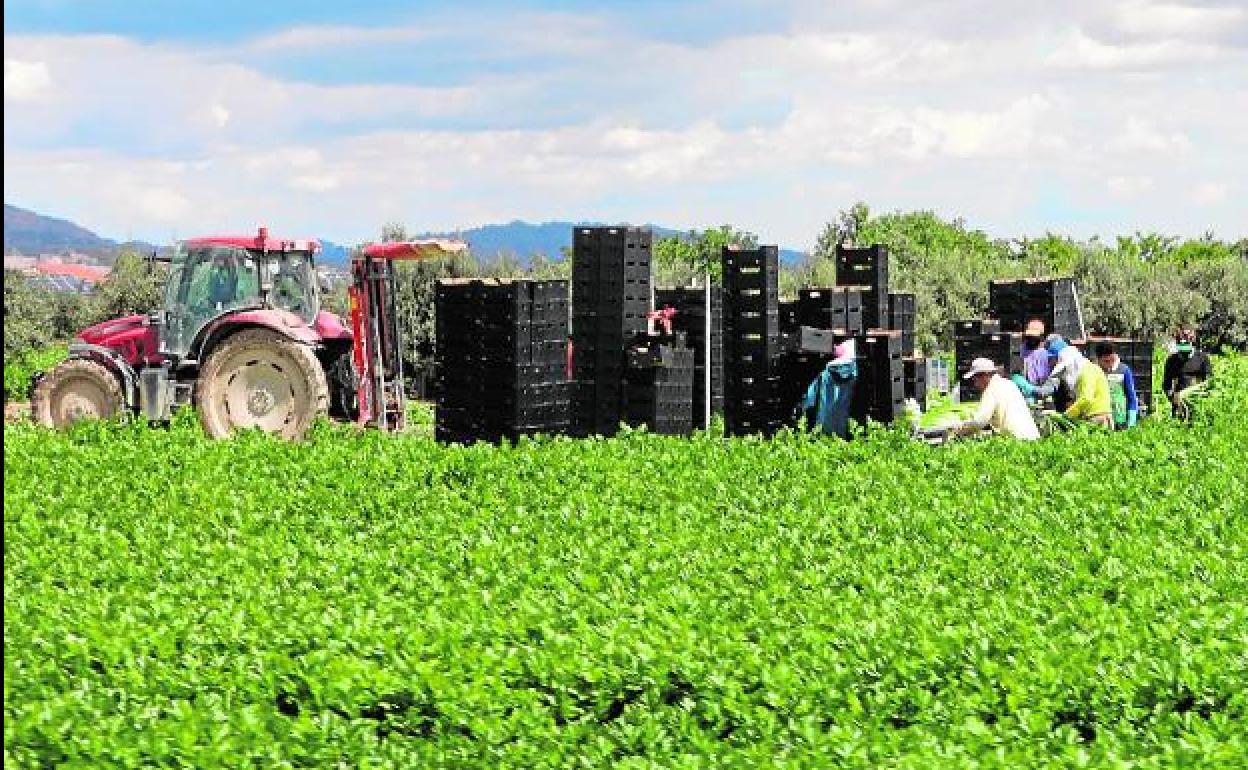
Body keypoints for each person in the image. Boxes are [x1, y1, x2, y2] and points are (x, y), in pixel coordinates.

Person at [952, 357, 1041, 441]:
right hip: (1033, 437)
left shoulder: (991, 389)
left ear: (985, 375)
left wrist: (959, 431)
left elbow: (979, 422)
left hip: (1017, 440)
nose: (975, 383)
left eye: (975, 379)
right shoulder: (1008, 384)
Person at [800, 340, 858, 439]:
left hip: (823, 430)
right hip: (845, 430)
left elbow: (810, 399)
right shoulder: (856, 371)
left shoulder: (826, 372)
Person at [1053, 343, 1112, 427]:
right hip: (1097, 415)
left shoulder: (1087, 371)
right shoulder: (1089, 369)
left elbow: (1086, 398)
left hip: (1098, 417)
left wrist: (1066, 415)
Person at [1163, 328, 1213, 419]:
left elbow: (1209, 381)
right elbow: (1167, 384)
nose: (1183, 346)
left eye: (1186, 343)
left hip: (1199, 403)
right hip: (1179, 405)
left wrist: (1199, 396)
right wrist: (1173, 398)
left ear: (1191, 342)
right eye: (1180, 344)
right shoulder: (1172, 360)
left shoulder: (1202, 359)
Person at [1095, 341, 1139, 429]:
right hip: (1101, 419)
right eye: (1106, 361)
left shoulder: (1124, 370)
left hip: (1120, 419)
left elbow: (1132, 397)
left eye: (1112, 360)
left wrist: (1131, 420)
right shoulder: (1094, 370)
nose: (1109, 364)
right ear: (1099, 359)